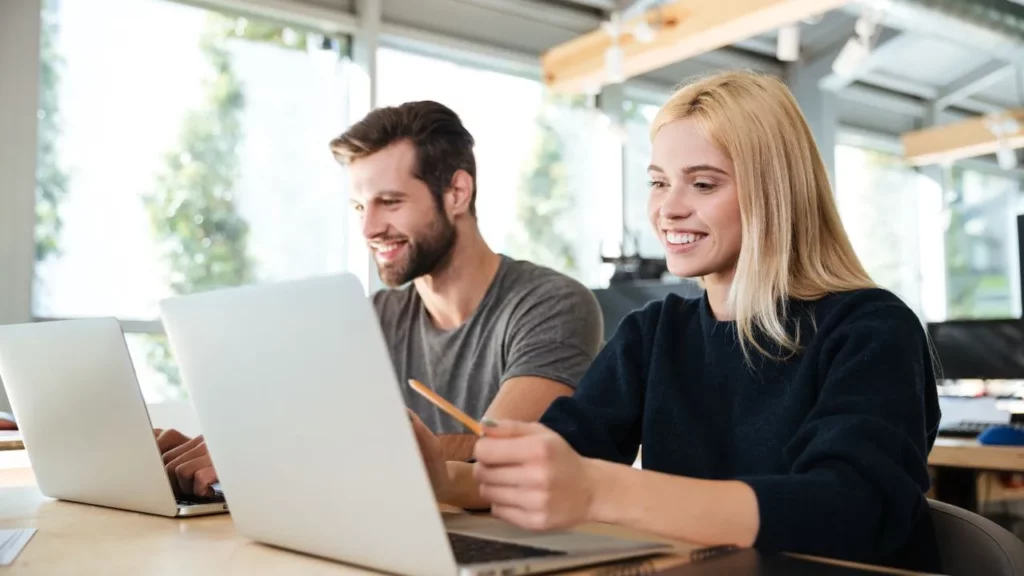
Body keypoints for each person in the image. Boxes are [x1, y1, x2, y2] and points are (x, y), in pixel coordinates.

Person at [407, 71, 943, 573]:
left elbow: (850, 509)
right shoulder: (657, 331)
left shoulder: (872, 327)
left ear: (775, 194)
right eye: (659, 182)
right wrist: (444, 477)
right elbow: (559, 459)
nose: (668, 209)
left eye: (703, 185)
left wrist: (601, 491)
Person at [158, 101, 604, 496]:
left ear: (457, 193)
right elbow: (307, 426)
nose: (369, 228)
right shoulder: (374, 316)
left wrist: (305, 450)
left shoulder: (552, 304)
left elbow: (493, 447)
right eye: (359, 207)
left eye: (389, 202)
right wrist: (238, 444)